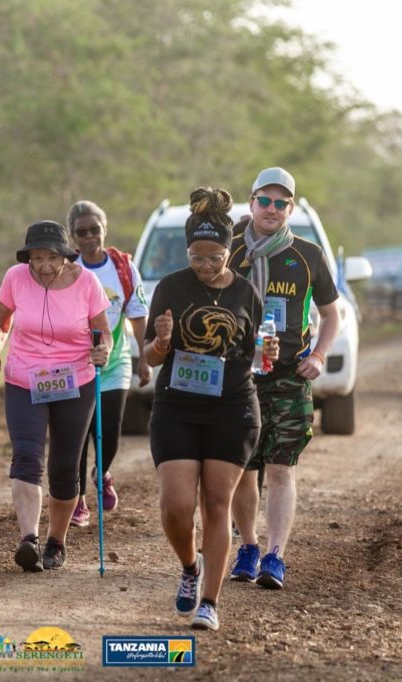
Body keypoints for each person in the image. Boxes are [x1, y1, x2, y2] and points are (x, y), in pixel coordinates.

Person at [144, 187, 274, 631]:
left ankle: (210, 603)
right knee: (177, 506)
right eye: (197, 257)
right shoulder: (169, 287)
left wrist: (267, 349)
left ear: (228, 250)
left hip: (232, 408)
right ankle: (189, 567)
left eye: (213, 257)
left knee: (216, 503)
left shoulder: (246, 293)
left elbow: (257, 355)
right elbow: (150, 357)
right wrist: (161, 341)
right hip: (177, 407)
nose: (204, 266)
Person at [228, 167, 340, 590]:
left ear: (290, 208)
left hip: (289, 376)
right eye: (265, 201)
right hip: (239, 375)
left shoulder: (308, 255)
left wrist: (319, 354)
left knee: (280, 469)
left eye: (281, 203)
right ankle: (249, 547)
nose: (272, 209)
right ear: (251, 201)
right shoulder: (230, 249)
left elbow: (331, 314)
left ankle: (275, 556)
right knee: (242, 469)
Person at [0, 220, 111, 572]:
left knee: (65, 468)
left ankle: (56, 541)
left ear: (66, 256)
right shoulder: (15, 278)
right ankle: (29, 539)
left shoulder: (87, 282)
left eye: (51, 258)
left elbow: (103, 332)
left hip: (75, 380)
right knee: (26, 458)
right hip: (25, 378)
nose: (43, 266)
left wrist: (104, 352)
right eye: (36, 258)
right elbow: (0, 323)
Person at [67, 201, 152, 528]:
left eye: (94, 230)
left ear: (105, 230)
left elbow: (138, 314)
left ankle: (101, 473)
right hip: (75, 365)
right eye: (81, 231)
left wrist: (144, 357)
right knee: (79, 434)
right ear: (73, 235)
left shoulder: (123, 268)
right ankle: (77, 500)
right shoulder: (68, 267)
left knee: (110, 432)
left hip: (115, 362)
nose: (89, 237)